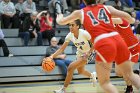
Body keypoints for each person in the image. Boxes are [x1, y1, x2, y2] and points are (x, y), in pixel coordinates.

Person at [55, 0, 140, 93]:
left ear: (83, 1)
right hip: (118, 40)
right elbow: (128, 17)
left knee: (105, 83)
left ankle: (128, 87)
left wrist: (59, 15)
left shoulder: (80, 12)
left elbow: (61, 21)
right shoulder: (107, 8)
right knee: (129, 74)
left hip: (105, 42)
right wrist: (131, 20)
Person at [43, 19, 97, 93]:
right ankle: (92, 75)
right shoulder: (69, 35)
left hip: (89, 52)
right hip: (80, 52)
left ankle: (63, 89)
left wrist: (88, 52)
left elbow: (95, 43)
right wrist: (52, 56)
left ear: (78, 26)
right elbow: (61, 49)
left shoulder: (84, 33)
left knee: (70, 67)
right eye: (69, 25)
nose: (70, 27)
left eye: (72, 25)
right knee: (81, 71)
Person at [112, 18, 140, 93]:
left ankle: (129, 89)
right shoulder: (109, 28)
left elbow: (111, 20)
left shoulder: (122, 21)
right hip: (122, 51)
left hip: (133, 50)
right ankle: (134, 73)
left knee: (125, 71)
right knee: (118, 73)